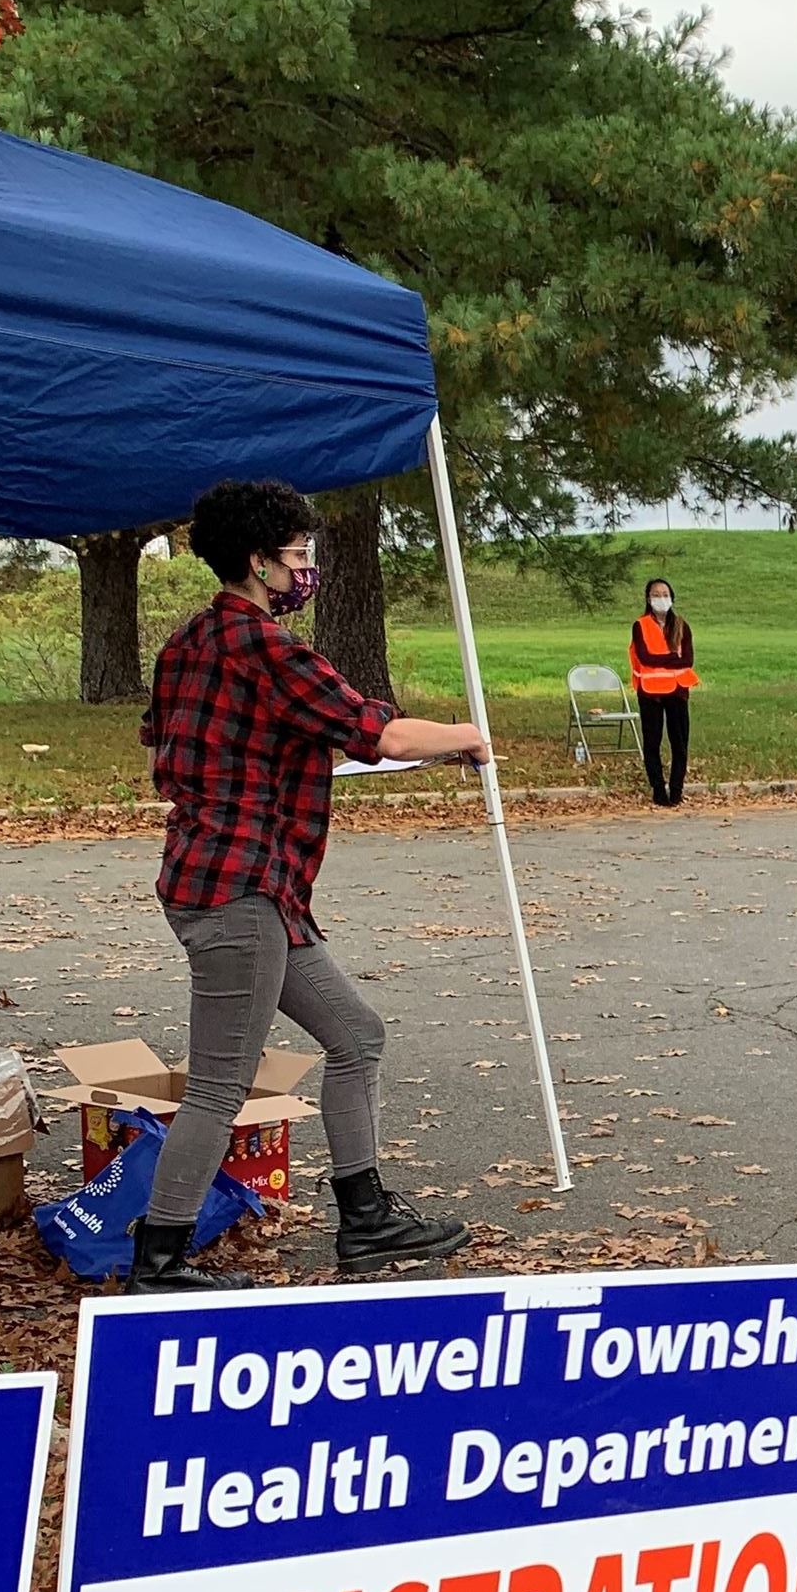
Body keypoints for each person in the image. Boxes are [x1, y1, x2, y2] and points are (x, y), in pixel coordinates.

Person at [129, 478, 486, 1294]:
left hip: (243, 885)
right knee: (221, 1080)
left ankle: (364, 1217)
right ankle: (158, 1258)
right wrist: (466, 736)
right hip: (238, 890)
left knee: (356, 1036)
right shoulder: (266, 648)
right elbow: (378, 732)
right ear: (258, 562)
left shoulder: (186, 644)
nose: (306, 568)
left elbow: (170, 755)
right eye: (296, 554)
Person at [628, 575, 700, 806]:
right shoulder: (640, 625)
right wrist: (671, 658)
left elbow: (687, 660)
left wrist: (664, 661)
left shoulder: (681, 625)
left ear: (672, 598)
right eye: (656, 595)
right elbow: (644, 657)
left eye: (665, 594)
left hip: (678, 691)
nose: (661, 599)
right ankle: (658, 790)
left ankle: (676, 790)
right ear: (648, 599)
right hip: (650, 692)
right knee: (652, 742)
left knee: (680, 743)